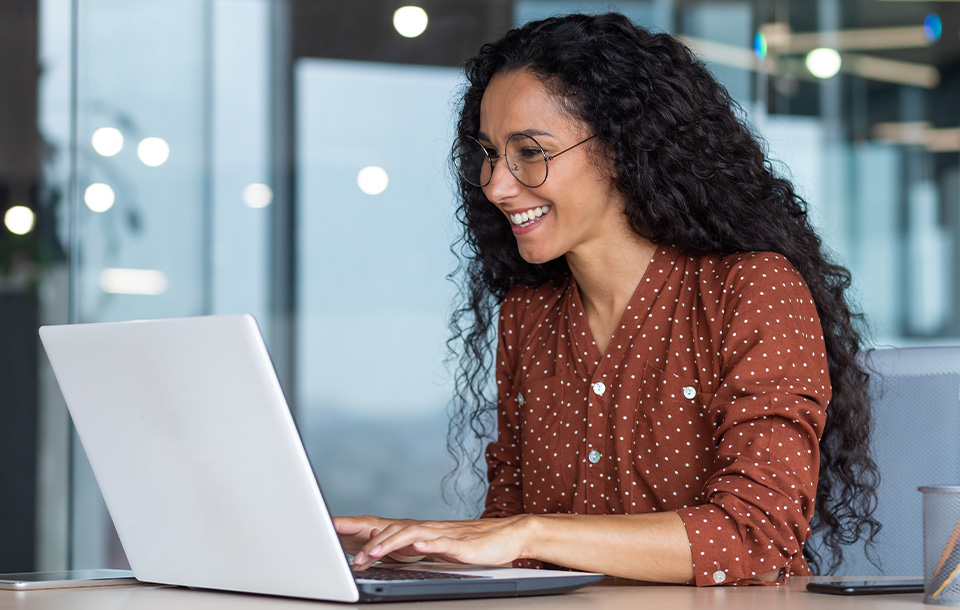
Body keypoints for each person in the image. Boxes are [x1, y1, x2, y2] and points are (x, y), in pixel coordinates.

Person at [334, 12, 880, 586]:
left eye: (529, 151)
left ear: (622, 148)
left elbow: (753, 537)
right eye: (490, 153)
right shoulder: (528, 316)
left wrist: (529, 532)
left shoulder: (751, 289)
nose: (496, 184)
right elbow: (513, 546)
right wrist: (421, 549)